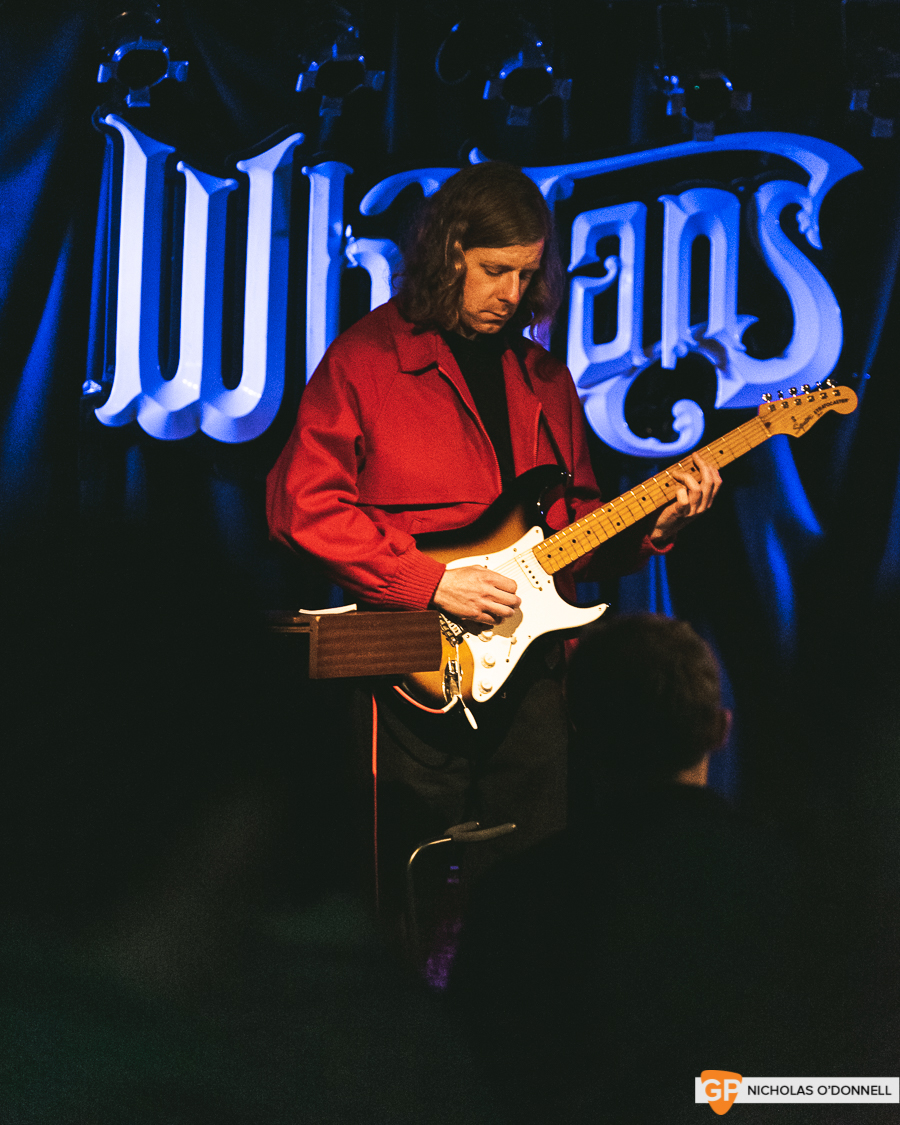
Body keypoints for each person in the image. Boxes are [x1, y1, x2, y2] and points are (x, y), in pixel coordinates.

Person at [266, 163, 720, 913]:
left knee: (534, 890)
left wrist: (653, 529)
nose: (512, 293)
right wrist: (431, 582)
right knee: (402, 895)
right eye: (494, 270)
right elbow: (299, 506)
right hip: (417, 669)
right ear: (449, 252)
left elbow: (576, 530)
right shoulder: (368, 360)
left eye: (527, 274)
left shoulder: (544, 377)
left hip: (536, 675)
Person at [449, 614, 799, 1123]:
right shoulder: (798, 882)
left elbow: (478, 1085)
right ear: (721, 729)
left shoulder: (513, 899)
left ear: (577, 727)